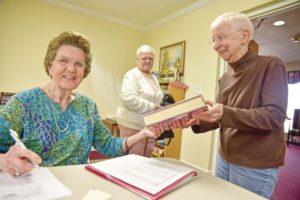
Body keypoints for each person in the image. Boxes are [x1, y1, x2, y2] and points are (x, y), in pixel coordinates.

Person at [0, 31, 162, 176]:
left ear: (84, 71)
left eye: (79, 64)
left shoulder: (88, 105)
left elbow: (108, 144)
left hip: (80, 184)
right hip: (37, 186)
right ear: (50, 67)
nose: (71, 69)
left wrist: (143, 134)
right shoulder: (24, 102)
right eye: (63, 61)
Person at [177, 12, 288, 198]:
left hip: (255, 164)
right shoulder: (224, 78)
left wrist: (223, 112)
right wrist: (196, 120)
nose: (215, 46)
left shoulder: (271, 65)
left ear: (244, 36)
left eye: (220, 37)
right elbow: (221, 118)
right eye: (212, 39)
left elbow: (274, 116)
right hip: (224, 158)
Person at [116, 45, 163, 157]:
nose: (148, 61)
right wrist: (152, 107)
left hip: (149, 125)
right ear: (137, 60)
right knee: (133, 159)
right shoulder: (132, 75)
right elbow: (128, 99)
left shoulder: (153, 78)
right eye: (144, 58)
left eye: (150, 59)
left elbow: (157, 98)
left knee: (146, 159)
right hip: (132, 125)